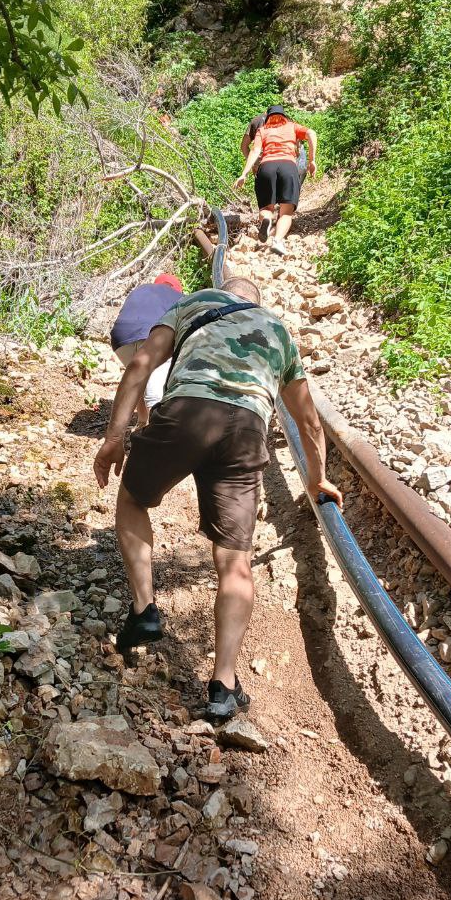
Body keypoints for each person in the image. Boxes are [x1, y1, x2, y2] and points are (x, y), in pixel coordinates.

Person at [93, 275, 342, 720]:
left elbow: (140, 365)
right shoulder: (278, 330)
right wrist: (317, 479)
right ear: (257, 302)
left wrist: (115, 437)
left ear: (224, 290)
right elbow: (310, 423)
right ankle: (223, 683)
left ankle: (144, 609)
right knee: (235, 560)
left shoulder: (194, 302)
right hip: (247, 430)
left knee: (133, 500)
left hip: (188, 409)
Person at [235, 105, 317, 256]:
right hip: (288, 166)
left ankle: (266, 223)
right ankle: (277, 241)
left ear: (267, 117)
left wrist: (244, 174)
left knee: (266, 209)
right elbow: (311, 133)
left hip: (266, 167)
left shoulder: (263, 130)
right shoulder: (292, 126)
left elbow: (254, 151)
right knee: (286, 212)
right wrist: (312, 160)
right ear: (284, 116)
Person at [109, 273, 183, 425]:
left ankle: (143, 422)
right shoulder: (180, 298)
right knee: (155, 392)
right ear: (178, 289)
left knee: (140, 378)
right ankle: (154, 435)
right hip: (151, 335)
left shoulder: (142, 289)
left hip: (121, 337)